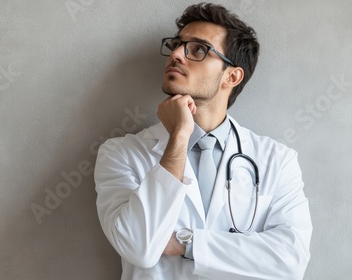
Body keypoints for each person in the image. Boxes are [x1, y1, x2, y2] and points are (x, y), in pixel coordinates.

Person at [94, 2, 312, 279]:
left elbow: (290, 261)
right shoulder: (121, 153)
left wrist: (187, 242)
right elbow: (138, 247)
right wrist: (179, 137)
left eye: (198, 49)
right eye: (176, 45)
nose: (175, 55)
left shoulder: (277, 160)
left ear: (231, 76)